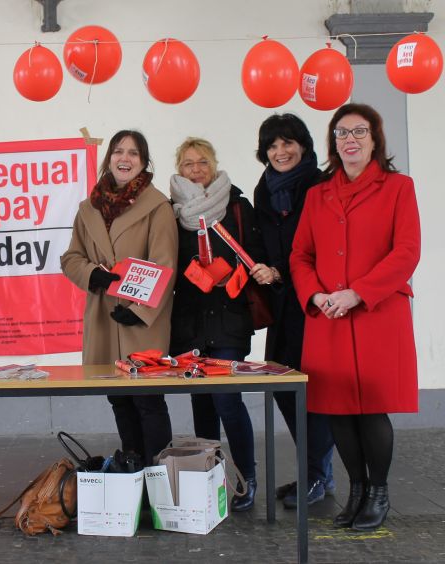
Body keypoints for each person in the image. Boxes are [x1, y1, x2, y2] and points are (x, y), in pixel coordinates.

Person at [290, 103, 420, 531]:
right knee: (338, 409)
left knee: (371, 409)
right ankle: (356, 491)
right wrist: (316, 295)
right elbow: (301, 255)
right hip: (328, 316)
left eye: (359, 132)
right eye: (342, 133)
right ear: (333, 143)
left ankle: (378, 493)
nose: (350, 140)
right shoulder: (317, 194)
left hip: (376, 314)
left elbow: (406, 252)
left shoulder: (399, 187)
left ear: (375, 139)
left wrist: (357, 293)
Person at [61, 130, 177, 468]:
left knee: (148, 401)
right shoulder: (88, 208)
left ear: (143, 163)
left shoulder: (157, 206)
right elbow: (71, 257)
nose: (124, 158)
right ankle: (134, 471)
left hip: (141, 323)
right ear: (108, 157)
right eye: (118, 151)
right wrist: (90, 274)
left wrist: (140, 310)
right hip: (104, 317)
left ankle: (160, 479)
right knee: (119, 400)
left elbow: (165, 265)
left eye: (134, 154)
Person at [168, 137, 265, 512]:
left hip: (229, 317)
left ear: (214, 164)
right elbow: (165, 260)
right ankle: (209, 475)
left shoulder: (237, 205)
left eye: (203, 162)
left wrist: (234, 272)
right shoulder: (172, 211)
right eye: (189, 162)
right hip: (190, 321)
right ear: (179, 168)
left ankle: (246, 476)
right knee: (202, 401)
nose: (196, 169)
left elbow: (256, 255)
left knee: (227, 398)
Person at [249, 114, 335, 509]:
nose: (280, 152)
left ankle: (318, 476)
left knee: (311, 390)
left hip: (314, 303)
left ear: (303, 145)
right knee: (284, 386)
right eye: (272, 146)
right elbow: (265, 244)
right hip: (282, 303)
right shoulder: (262, 191)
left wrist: (281, 268)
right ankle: (316, 472)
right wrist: (264, 268)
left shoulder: (321, 186)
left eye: (288, 143)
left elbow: (324, 247)